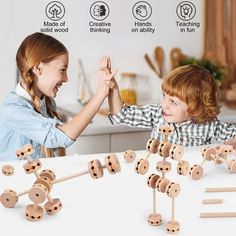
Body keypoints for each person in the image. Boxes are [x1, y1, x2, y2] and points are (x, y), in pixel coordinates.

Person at [0, 32, 114, 161]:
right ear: (38, 68)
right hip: (15, 181)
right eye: (62, 70)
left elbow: (55, 146)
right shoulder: (12, 109)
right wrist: (100, 94)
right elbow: (60, 137)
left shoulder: (47, 102)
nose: (66, 79)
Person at [107, 62, 236, 146]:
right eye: (164, 95)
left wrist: (231, 143)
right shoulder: (157, 115)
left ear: (196, 110)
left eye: (173, 102)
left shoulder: (209, 125)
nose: (164, 105)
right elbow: (121, 115)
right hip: (160, 176)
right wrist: (114, 89)